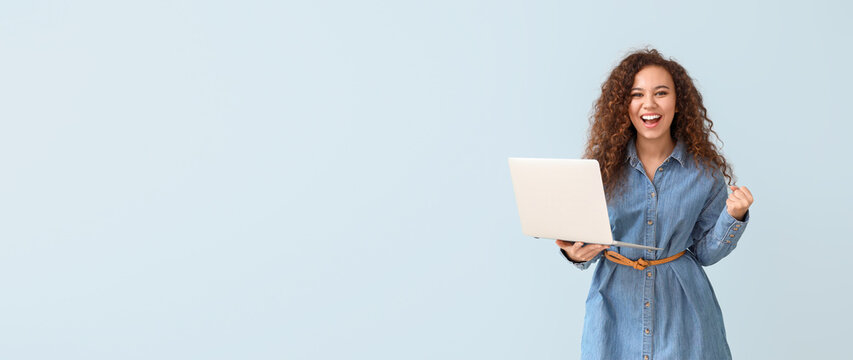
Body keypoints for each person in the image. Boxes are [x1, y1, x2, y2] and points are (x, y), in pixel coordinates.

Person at [555, 48, 754, 360]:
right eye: (637, 94)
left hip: (684, 318)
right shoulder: (600, 170)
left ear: (678, 104)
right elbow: (582, 247)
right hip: (613, 314)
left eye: (661, 93)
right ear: (624, 105)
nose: (649, 104)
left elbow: (705, 253)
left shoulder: (703, 171)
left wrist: (734, 216)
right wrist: (572, 252)